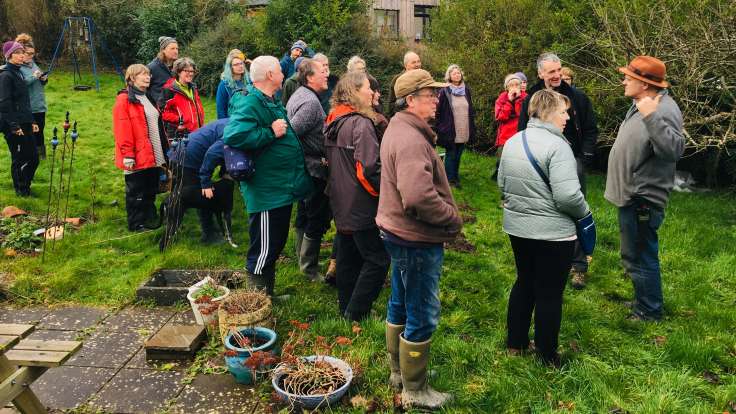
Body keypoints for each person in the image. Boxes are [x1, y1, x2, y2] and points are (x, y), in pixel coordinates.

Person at [378, 69, 461, 410]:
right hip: (414, 239)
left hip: (396, 233)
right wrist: (452, 218)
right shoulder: (411, 139)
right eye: (430, 94)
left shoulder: (399, 127)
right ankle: (415, 390)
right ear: (411, 100)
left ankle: (399, 372)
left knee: (400, 300)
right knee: (422, 312)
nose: (437, 99)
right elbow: (417, 197)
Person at [498, 89, 590, 366]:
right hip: (553, 233)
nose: (567, 117)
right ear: (549, 112)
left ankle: (515, 344)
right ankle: (547, 355)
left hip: (518, 229)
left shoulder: (515, 140)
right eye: (563, 111)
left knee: (524, 281)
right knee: (550, 292)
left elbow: (502, 183)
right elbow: (568, 196)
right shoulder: (558, 146)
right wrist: (585, 213)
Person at [223, 55, 313, 297]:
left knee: (274, 244)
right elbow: (233, 136)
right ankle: (257, 302)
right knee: (263, 249)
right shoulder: (251, 102)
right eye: (279, 71)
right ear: (270, 76)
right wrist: (269, 132)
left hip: (280, 189)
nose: (284, 74)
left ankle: (267, 296)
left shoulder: (269, 100)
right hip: (266, 192)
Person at [605, 56, 684, 321]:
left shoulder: (660, 110)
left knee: (640, 255)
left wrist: (651, 116)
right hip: (633, 195)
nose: (624, 80)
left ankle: (649, 311)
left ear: (645, 84)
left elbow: (673, 149)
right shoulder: (642, 103)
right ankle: (643, 300)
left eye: (629, 77)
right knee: (634, 253)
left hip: (642, 198)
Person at [518, 52, 598, 290]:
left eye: (559, 70)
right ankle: (548, 261)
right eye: (551, 71)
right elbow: (522, 131)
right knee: (543, 210)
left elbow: (591, 130)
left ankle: (579, 266)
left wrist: (583, 158)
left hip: (572, 162)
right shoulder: (531, 99)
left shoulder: (578, 98)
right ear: (541, 73)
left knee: (576, 212)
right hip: (540, 164)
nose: (557, 75)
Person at [324, 71, 390, 321]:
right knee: (378, 259)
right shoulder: (361, 123)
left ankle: (346, 309)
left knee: (348, 256)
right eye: (367, 88)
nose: (372, 92)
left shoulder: (334, 119)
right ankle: (357, 311)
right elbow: (368, 169)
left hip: (340, 201)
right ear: (354, 91)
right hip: (360, 203)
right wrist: (384, 194)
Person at [287, 59, 330, 281]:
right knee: (316, 215)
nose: (327, 75)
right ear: (310, 77)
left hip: (308, 166)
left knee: (305, 213)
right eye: (323, 71)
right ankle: (308, 268)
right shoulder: (310, 103)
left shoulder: (303, 95)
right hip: (312, 169)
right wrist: (310, 157)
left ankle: (303, 258)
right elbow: (291, 132)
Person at [113, 64, 167, 231]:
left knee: (150, 188)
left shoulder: (148, 97)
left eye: (148, 74)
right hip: (136, 154)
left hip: (152, 152)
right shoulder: (125, 100)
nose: (147, 77)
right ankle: (136, 224)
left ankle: (150, 218)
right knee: (136, 192)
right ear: (131, 78)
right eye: (143, 74)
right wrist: (128, 154)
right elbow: (122, 129)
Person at [167, 118, 235, 245]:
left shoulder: (235, 122)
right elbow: (212, 154)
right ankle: (208, 234)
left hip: (185, 151)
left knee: (184, 195)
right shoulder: (234, 132)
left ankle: (174, 223)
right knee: (201, 196)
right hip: (187, 158)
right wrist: (206, 182)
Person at [1, 41, 39, 197]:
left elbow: (24, 101)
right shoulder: (5, 75)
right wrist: (14, 126)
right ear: (9, 56)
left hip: (25, 121)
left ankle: (25, 183)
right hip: (13, 124)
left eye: (23, 52)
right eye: (18, 52)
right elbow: (4, 103)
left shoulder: (19, 72)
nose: (22, 54)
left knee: (34, 158)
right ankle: (21, 190)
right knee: (19, 158)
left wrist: (32, 121)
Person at [435, 64, 476, 187]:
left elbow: (470, 108)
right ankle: (450, 180)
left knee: (458, 154)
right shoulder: (444, 91)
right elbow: (438, 110)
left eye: (458, 73)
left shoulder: (466, 90)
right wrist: (439, 126)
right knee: (451, 153)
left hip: (463, 127)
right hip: (450, 128)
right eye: (454, 73)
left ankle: (455, 175)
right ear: (449, 76)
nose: (457, 75)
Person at [15, 34, 48, 160]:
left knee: (40, 131)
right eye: (28, 53)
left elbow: (39, 81)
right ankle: (30, 155)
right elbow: (21, 84)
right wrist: (34, 76)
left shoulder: (33, 64)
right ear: (21, 53)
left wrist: (43, 79)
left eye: (32, 54)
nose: (30, 56)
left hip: (40, 105)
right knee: (30, 133)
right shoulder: (17, 68)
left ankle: (41, 156)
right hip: (28, 106)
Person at [492, 74, 528, 182]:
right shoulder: (501, 99)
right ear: (507, 87)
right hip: (505, 136)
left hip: (520, 134)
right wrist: (509, 102)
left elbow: (522, 115)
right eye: (511, 85)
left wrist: (517, 100)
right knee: (502, 160)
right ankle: (500, 178)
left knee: (518, 163)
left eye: (517, 84)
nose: (514, 87)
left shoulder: (526, 98)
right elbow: (500, 117)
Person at [160, 57, 205, 139]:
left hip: (197, 132)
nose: (190, 74)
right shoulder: (169, 90)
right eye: (186, 71)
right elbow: (162, 113)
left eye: (192, 71)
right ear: (178, 72)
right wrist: (180, 119)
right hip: (180, 136)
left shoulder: (193, 88)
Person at [216, 49, 250, 119]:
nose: (240, 66)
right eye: (236, 64)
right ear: (230, 67)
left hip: (249, 121)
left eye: (241, 63)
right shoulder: (224, 85)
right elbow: (221, 110)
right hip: (233, 124)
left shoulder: (249, 81)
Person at [387, 51, 422, 117]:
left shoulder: (424, 77)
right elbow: (391, 104)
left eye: (418, 61)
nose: (417, 64)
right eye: (413, 62)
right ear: (406, 65)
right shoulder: (398, 79)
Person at [147, 36, 178, 104]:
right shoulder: (152, 67)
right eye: (172, 48)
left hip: (175, 108)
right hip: (158, 109)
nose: (176, 51)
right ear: (163, 50)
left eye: (177, 48)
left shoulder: (178, 67)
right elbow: (143, 88)